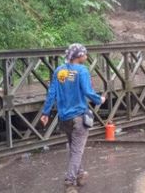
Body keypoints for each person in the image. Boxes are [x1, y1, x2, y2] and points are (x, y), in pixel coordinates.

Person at [40, 43, 105, 193]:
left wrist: (45, 113)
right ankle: (70, 182)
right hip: (78, 117)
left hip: (64, 118)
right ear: (78, 56)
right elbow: (88, 92)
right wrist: (99, 100)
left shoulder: (59, 71)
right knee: (77, 151)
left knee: (75, 148)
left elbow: (52, 94)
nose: (86, 56)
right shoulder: (82, 70)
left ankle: (80, 175)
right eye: (85, 54)